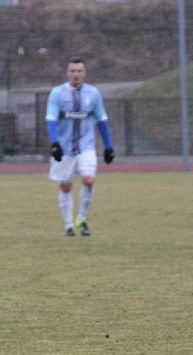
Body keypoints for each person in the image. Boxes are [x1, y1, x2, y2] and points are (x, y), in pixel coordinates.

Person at [45, 58, 114, 237]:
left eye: (79, 71)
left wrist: (108, 146)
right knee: (66, 187)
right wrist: (54, 143)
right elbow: (51, 119)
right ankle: (69, 225)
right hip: (65, 148)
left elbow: (102, 120)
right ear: (68, 73)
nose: (76, 74)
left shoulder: (94, 93)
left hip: (86, 146)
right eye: (73, 71)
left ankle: (81, 219)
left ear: (84, 73)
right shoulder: (57, 93)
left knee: (89, 180)